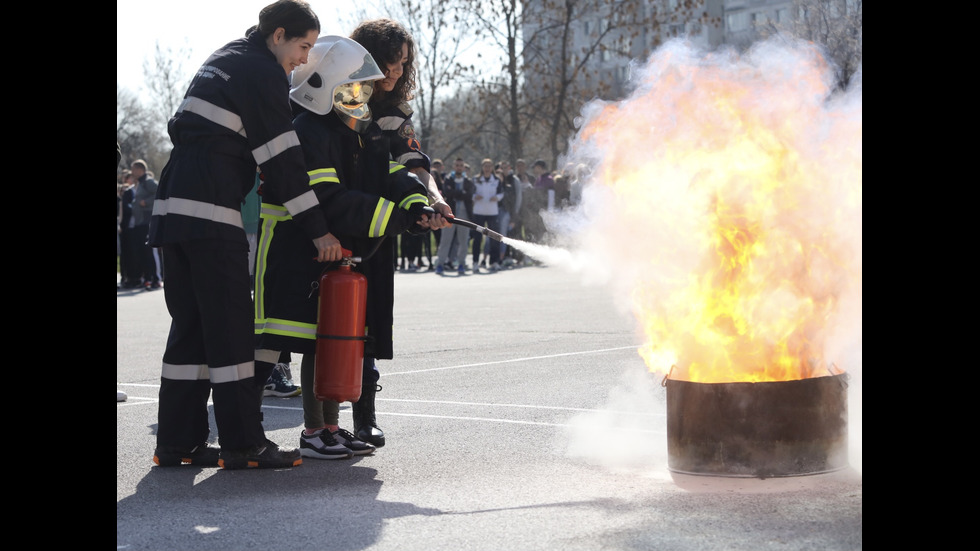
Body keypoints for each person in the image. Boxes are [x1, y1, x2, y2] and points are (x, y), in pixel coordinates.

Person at [147, 0, 341, 470]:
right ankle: (243, 445)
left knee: (189, 329)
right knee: (232, 328)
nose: (303, 58)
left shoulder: (224, 57)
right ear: (278, 35)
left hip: (173, 208)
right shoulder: (261, 72)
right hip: (211, 211)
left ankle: (178, 443)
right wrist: (319, 233)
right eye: (303, 46)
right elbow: (284, 163)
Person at [254, 35, 435, 457]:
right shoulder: (309, 129)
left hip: (326, 250)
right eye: (352, 87)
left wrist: (417, 202)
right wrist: (398, 218)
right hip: (291, 251)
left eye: (364, 88)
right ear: (323, 86)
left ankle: (325, 429)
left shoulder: (358, 130)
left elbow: (389, 171)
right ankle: (247, 429)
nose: (361, 96)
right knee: (270, 342)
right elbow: (330, 200)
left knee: (327, 339)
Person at [434, 158, 474, 275]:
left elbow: (469, 195)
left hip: (464, 215)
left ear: (463, 167)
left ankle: (461, 264)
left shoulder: (468, 181)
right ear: (454, 166)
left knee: (463, 241)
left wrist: (457, 194)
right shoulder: (448, 179)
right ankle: (440, 264)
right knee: (445, 240)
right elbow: (448, 193)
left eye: (461, 165)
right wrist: (461, 193)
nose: (459, 167)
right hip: (449, 215)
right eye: (457, 165)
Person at [130, 160, 162, 290]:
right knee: (143, 253)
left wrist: (146, 202)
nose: (132, 172)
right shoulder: (140, 183)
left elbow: (159, 192)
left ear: (140, 169)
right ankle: (148, 279)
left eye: (133, 169)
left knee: (150, 252)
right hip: (140, 223)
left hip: (147, 222)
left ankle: (156, 279)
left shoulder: (148, 181)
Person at [470, 158, 503, 273]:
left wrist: (497, 198)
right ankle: (475, 262)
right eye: (485, 166)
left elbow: (501, 193)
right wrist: (475, 196)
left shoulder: (497, 180)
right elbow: (471, 193)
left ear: (492, 167)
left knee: (494, 238)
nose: (487, 168)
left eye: (489, 166)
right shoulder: (476, 179)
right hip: (479, 212)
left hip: (492, 212)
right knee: (478, 239)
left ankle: (494, 261)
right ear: (482, 167)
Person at [497, 159, 521, 266]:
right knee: (502, 234)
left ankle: (517, 257)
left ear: (509, 168)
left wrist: (515, 214)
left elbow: (519, 197)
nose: (504, 169)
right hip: (499, 211)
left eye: (506, 167)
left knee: (513, 234)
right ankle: (504, 256)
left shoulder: (514, 180)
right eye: (502, 167)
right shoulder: (498, 179)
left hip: (511, 211)